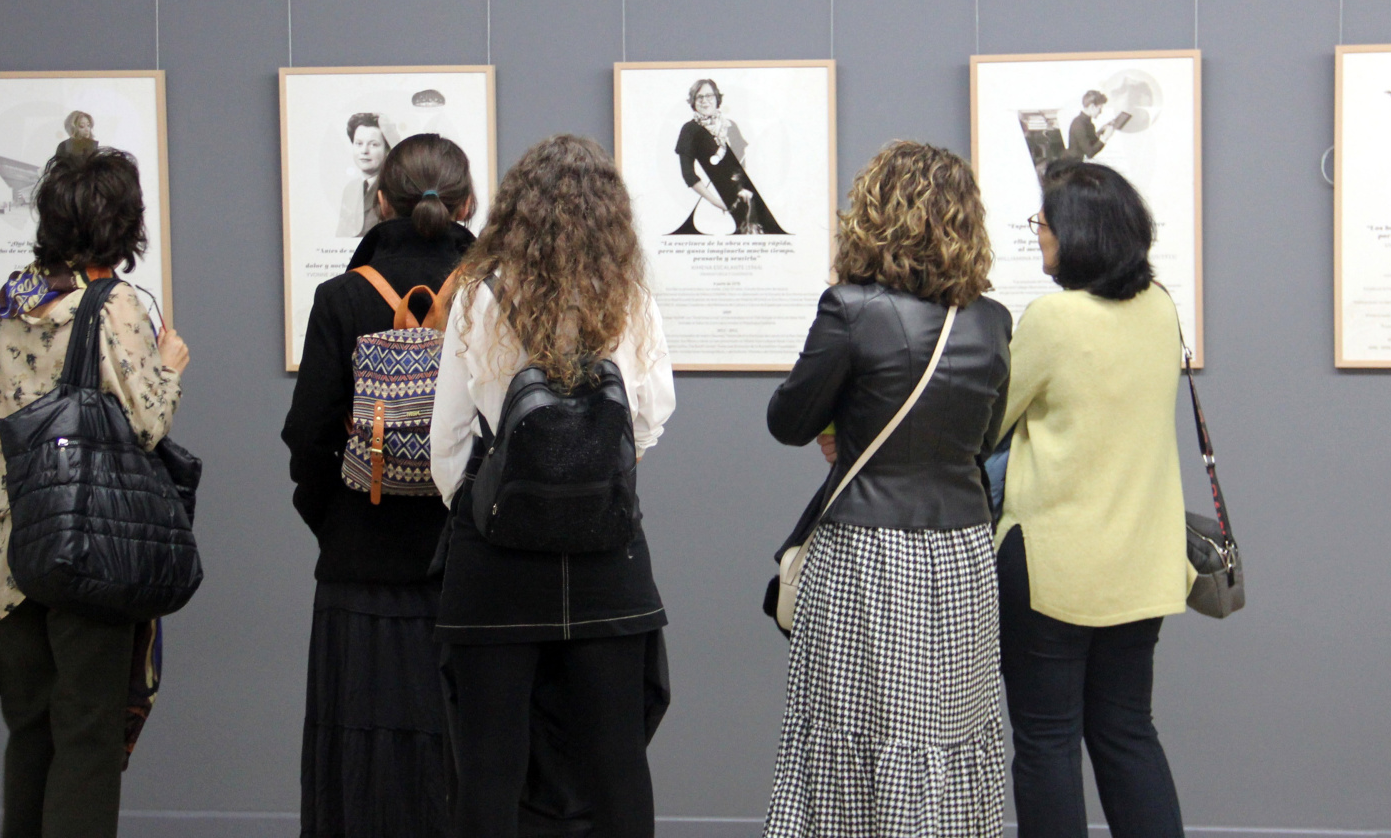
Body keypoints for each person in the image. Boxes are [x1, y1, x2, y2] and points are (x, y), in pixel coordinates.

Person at [763, 141, 1013, 837]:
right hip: (963, 557)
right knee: (948, 737)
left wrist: (843, 426)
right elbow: (984, 441)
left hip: (868, 558)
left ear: (874, 215)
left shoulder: (850, 310)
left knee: (852, 739)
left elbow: (787, 421)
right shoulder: (992, 321)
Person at [429, 134, 674, 837]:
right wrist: (589, 471)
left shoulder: (477, 295)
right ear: (609, 213)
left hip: (496, 559)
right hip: (606, 554)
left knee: (488, 768)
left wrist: (483, 502)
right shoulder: (627, 297)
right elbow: (652, 416)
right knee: (617, 763)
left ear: (515, 209)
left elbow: (448, 441)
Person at [0, 147, 189, 838]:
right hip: (85, 547)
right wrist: (169, 366)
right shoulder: (115, 305)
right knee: (88, 735)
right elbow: (147, 420)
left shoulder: (8, 301)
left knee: (31, 732)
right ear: (125, 224)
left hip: (4, 547)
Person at [282, 133, 476, 838]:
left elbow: (308, 435)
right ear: (467, 205)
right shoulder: (492, 297)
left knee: (359, 758)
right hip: (467, 567)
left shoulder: (340, 298)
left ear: (381, 203)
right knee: (465, 752)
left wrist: (337, 520)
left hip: (359, 569)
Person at [996, 160, 1188, 838]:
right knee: (1128, 733)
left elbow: (989, 420)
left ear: (1074, 233)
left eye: (1042, 223)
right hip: (1143, 563)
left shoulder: (1052, 318)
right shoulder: (1161, 307)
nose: (1038, 234)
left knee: (1048, 741)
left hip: (1054, 566)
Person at [669, 78, 787, 235]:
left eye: (709, 96)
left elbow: (742, 167)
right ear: (693, 101)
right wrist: (717, 202)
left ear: (717, 98)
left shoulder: (730, 126)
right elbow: (688, 175)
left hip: (744, 198)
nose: (705, 101)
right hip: (715, 205)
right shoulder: (689, 130)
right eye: (699, 97)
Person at [337, 112, 392, 237]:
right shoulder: (350, 189)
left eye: (373, 144)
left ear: (387, 149)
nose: (364, 151)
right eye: (359, 143)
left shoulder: (392, 189)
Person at [1065, 90, 1115, 162]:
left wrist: (1101, 130)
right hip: (1074, 164)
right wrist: (1105, 137)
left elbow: (1091, 142)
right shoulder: (1079, 124)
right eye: (1100, 108)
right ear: (1092, 107)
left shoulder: (1085, 122)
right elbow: (1090, 153)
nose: (1101, 112)